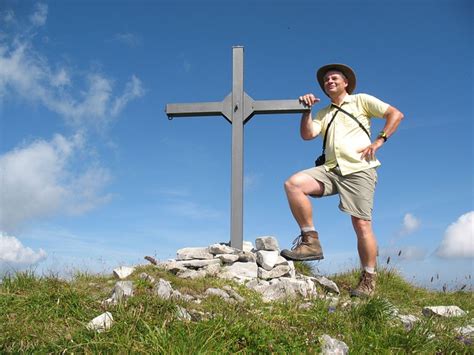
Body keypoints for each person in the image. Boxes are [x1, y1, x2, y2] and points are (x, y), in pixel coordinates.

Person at [280, 64, 404, 297]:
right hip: (330, 169)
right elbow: (308, 135)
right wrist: (306, 110)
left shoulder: (361, 101)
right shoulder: (323, 112)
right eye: (326, 79)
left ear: (346, 82)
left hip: (359, 169)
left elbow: (395, 114)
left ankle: (368, 279)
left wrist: (379, 141)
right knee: (293, 184)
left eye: (334, 77)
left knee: (361, 224)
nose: (329, 81)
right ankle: (311, 242)